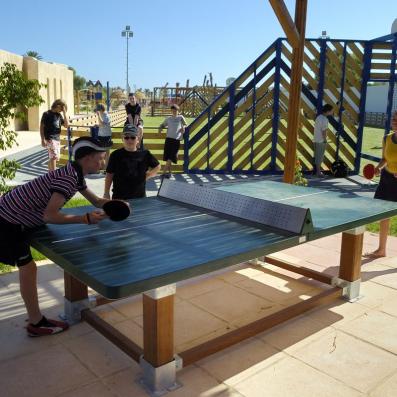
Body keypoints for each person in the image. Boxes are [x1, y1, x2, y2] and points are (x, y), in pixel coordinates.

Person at [0, 137, 112, 336]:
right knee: (28, 268)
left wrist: (115, 206)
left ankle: (35, 320)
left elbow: (96, 201)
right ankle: (36, 323)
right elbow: (49, 215)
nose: (103, 163)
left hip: (12, 216)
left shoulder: (74, 173)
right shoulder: (68, 179)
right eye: (101, 159)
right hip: (8, 221)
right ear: (86, 159)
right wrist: (83, 219)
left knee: (28, 267)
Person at [365, 111, 397, 258]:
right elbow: (385, 159)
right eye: (393, 119)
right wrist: (378, 168)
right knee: (384, 215)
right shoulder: (387, 139)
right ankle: (381, 250)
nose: (394, 121)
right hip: (387, 180)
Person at [104, 124, 160, 200]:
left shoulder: (145, 154)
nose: (129, 140)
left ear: (138, 139)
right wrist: (106, 192)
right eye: (126, 137)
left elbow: (157, 166)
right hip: (119, 197)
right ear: (122, 139)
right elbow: (109, 174)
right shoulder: (115, 155)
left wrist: (148, 175)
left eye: (133, 137)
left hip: (140, 198)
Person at [159, 104, 187, 177]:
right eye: (173, 110)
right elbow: (163, 124)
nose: (174, 111)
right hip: (168, 139)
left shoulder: (181, 117)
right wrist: (160, 128)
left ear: (178, 111)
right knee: (169, 157)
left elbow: (185, 124)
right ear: (171, 111)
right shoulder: (168, 118)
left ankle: (163, 173)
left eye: (175, 110)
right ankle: (169, 173)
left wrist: (183, 127)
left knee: (171, 157)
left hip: (176, 140)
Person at [40, 99, 69, 171]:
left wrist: (64, 113)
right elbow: (41, 127)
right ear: (58, 106)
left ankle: (50, 175)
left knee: (52, 157)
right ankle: (53, 175)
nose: (61, 111)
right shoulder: (46, 114)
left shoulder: (59, 115)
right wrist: (42, 139)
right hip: (50, 138)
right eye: (61, 109)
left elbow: (66, 125)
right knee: (54, 157)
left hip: (57, 139)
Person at [313, 104, 333, 177]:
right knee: (320, 156)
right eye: (331, 111)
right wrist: (325, 140)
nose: (332, 112)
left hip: (315, 139)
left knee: (317, 155)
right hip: (321, 140)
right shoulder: (325, 119)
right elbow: (324, 131)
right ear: (328, 111)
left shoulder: (318, 117)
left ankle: (317, 171)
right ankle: (318, 172)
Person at [95, 103, 112, 167]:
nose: (97, 112)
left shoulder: (106, 116)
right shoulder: (102, 115)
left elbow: (102, 124)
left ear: (101, 110)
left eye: (98, 110)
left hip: (106, 136)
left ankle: (107, 168)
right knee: (101, 152)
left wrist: (98, 116)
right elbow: (101, 124)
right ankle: (103, 167)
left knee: (107, 153)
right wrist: (97, 125)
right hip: (101, 135)